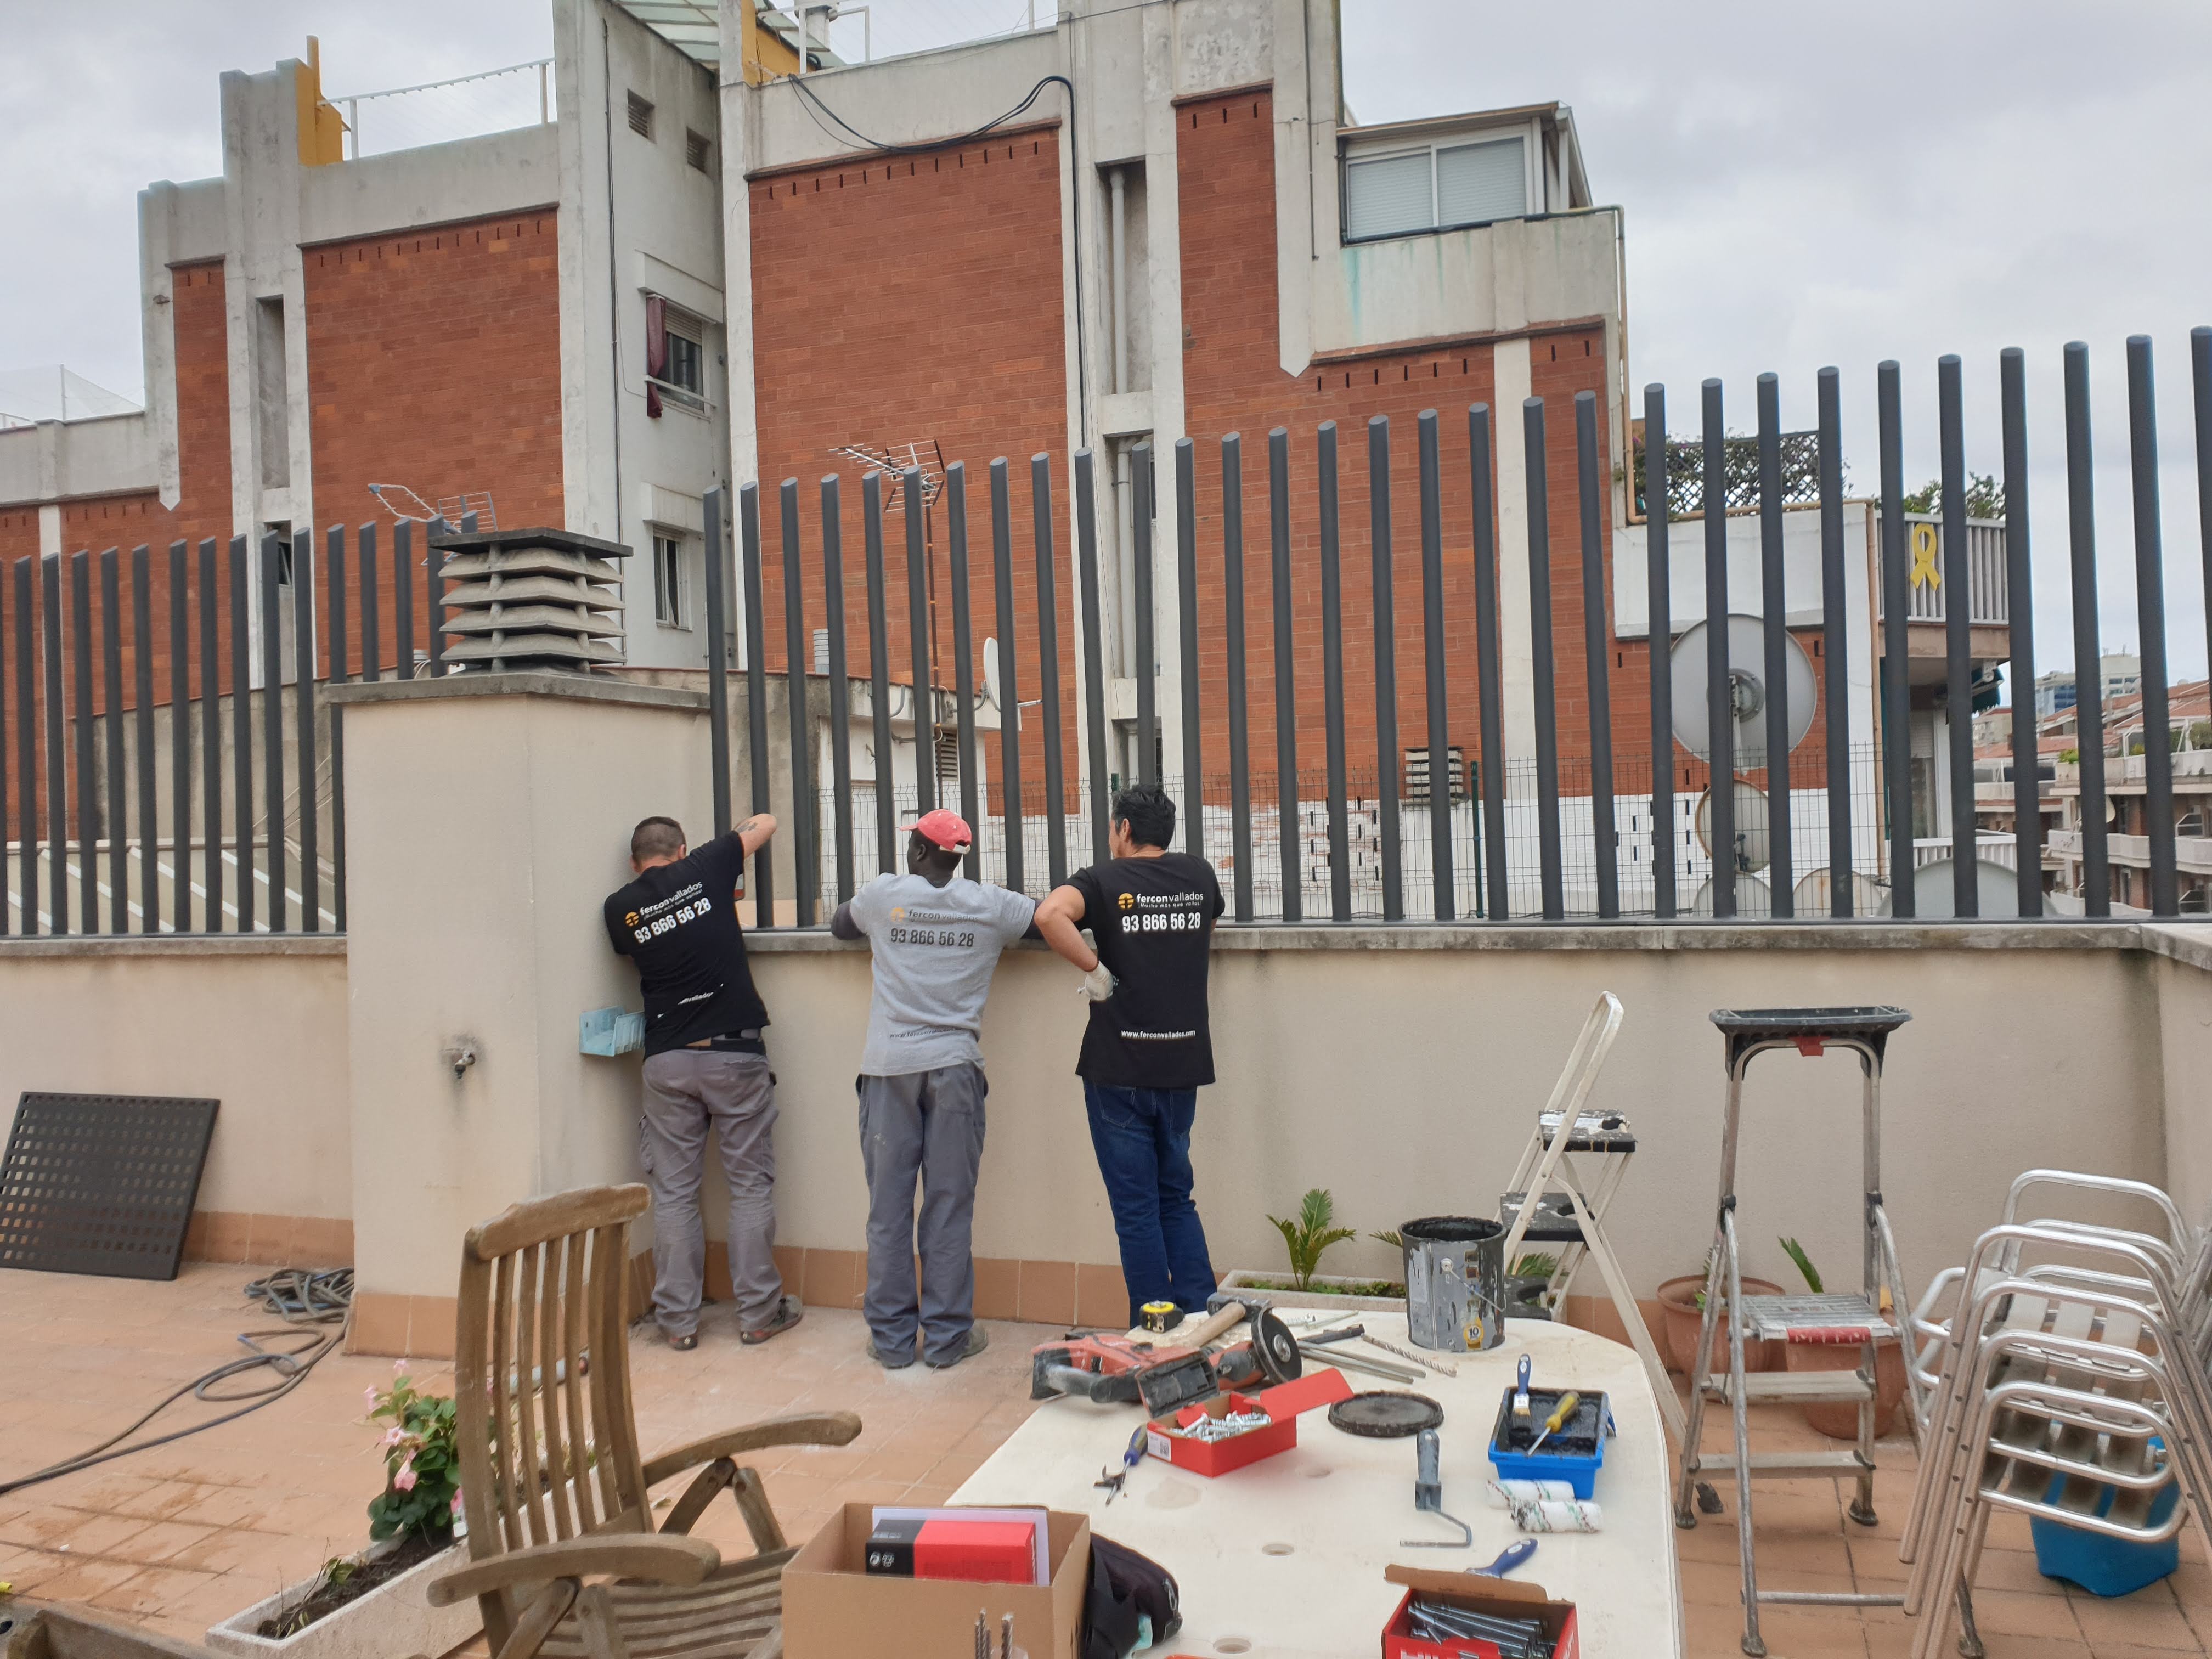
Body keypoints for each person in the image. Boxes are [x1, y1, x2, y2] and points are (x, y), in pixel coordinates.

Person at [831, 809, 1038, 1369]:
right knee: (949, 1207)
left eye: (912, 845)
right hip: (955, 1071)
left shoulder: (882, 896)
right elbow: (1049, 922)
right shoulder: (992, 906)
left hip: (889, 1071)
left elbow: (838, 925)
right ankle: (947, 1340)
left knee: (888, 1208)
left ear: (921, 853)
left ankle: (893, 1342)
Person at [605, 812, 803, 1352]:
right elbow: (767, 822)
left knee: (673, 1195)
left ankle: (678, 1324)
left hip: (667, 1059)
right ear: (682, 849)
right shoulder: (708, 864)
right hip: (734, 1053)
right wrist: (730, 840)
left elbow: (630, 952)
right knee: (749, 1185)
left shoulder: (619, 906)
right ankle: (759, 1315)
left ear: (634, 861)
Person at [1032, 783, 1224, 1328]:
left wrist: (1095, 971)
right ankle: (1201, 1323)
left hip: (1118, 1069)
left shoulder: (1102, 879)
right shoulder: (1198, 876)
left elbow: (1050, 916)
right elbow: (1204, 928)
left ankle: (1154, 1330)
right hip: (1181, 1062)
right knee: (1176, 1198)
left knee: (1137, 1209)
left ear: (1123, 830)